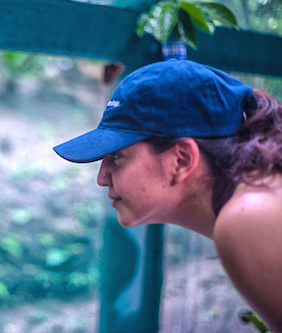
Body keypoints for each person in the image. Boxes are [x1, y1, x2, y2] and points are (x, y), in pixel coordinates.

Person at [53, 59, 282, 331]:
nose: (101, 178)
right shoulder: (258, 197)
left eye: (117, 156)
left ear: (182, 160)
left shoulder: (248, 217)